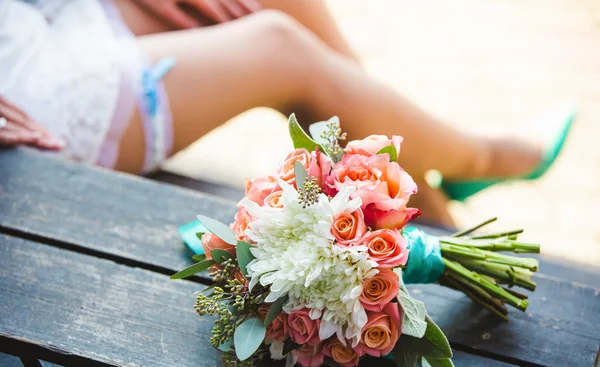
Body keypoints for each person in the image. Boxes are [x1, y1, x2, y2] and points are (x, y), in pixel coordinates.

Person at [0, 0, 568, 226]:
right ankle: (471, 160)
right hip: (27, 90)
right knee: (280, 49)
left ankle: (410, 182)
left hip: (40, 20)